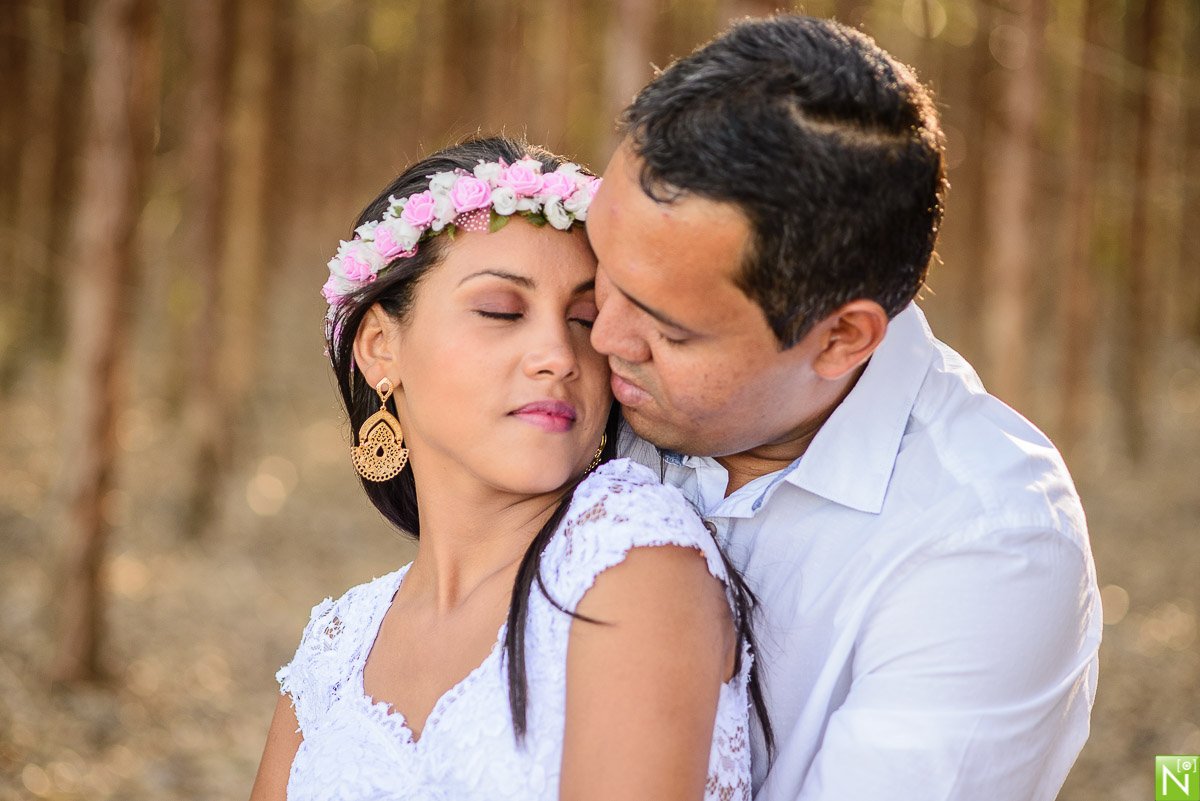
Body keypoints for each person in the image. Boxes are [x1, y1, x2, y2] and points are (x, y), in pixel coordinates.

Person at [584, 14, 1102, 801]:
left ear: (840, 339)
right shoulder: (581, 384)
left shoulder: (988, 545)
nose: (605, 335)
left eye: (668, 328)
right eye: (601, 269)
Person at [249, 136, 766, 801]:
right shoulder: (337, 645)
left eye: (585, 319)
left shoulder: (629, 558)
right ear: (381, 347)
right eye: (501, 310)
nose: (558, 353)